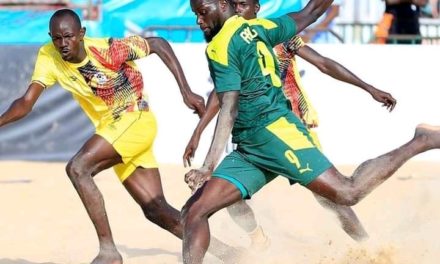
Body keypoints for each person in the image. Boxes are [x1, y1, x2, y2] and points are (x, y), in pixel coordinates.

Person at [182, 0, 440, 263]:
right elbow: (311, 12)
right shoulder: (261, 28)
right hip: (250, 145)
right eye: (196, 14)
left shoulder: (222, 45)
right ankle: (250, 245)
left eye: (202, 12)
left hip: (278, 133)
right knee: (194, 212)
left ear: (227, 6)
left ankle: (420, 142)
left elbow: (230, 105)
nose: (199, 21)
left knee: (344, 194)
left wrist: (208, 165)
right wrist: (201, 139)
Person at [0, 8, 244, 264]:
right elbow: (26, 102)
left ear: (81, 34)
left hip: (134, 119)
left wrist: (186, 91)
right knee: (155, 209)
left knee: (78, 168)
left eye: (68, 37)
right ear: (51, 37)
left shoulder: (107, 50)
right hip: (114, 131)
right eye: (57, 38)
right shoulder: (48, 56)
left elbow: (158, 43)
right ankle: (229, 253)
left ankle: (109, 252)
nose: (63, 44)